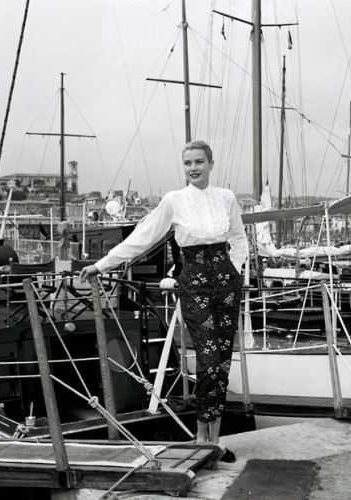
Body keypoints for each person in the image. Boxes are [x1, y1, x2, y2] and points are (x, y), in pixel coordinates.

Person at [80, 140, 248, 460]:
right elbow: (142, 237)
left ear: (211, 163)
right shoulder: (175, 200)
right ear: (183, 167)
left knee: (223, 362)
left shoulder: (226, 198)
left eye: (199, 162)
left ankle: (216, 439)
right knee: (209, 359)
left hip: (226, 283)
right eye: (188, 163)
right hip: (195, 282)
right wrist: (102, 265)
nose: (194, 168)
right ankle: (201, 436)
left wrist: (236, 271)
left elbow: (239, 240)